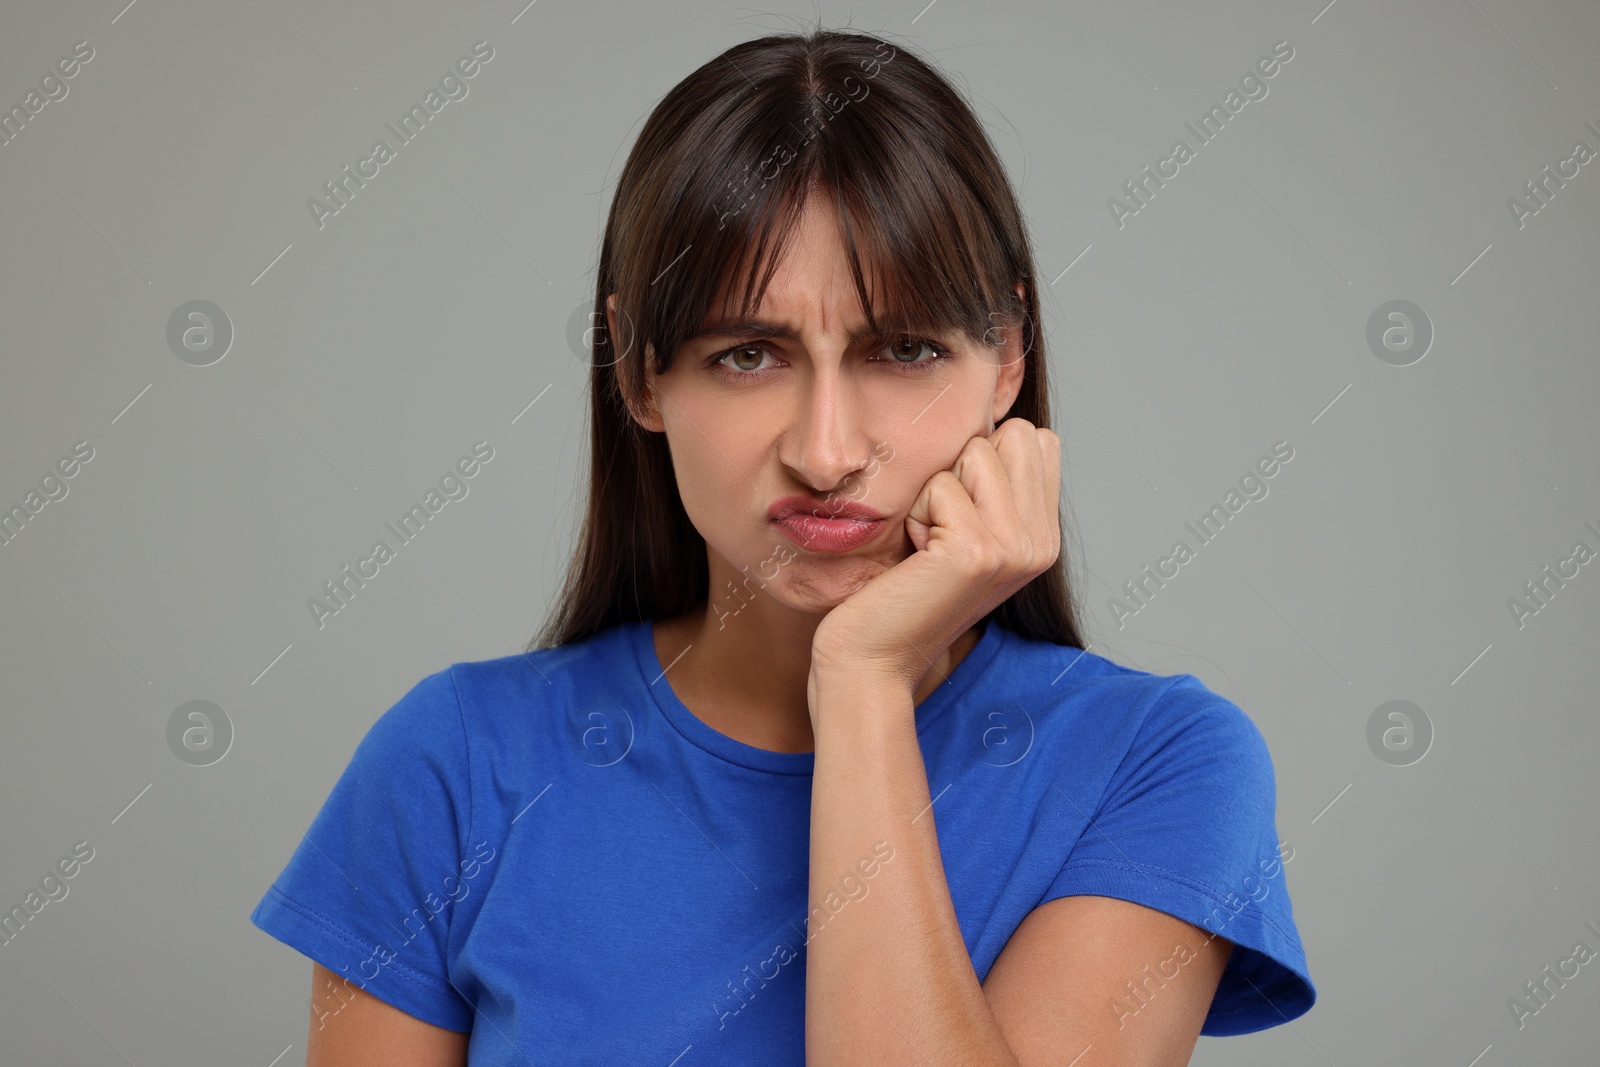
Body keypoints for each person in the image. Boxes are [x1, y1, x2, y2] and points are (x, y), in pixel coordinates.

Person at [250, 25, 1315, 1066]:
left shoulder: (1159, 765)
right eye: (748, 354)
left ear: (1006, 359)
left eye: (904, 349)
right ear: (636, 370)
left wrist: (858, 684)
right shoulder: (454, 763)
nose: (826, 449)